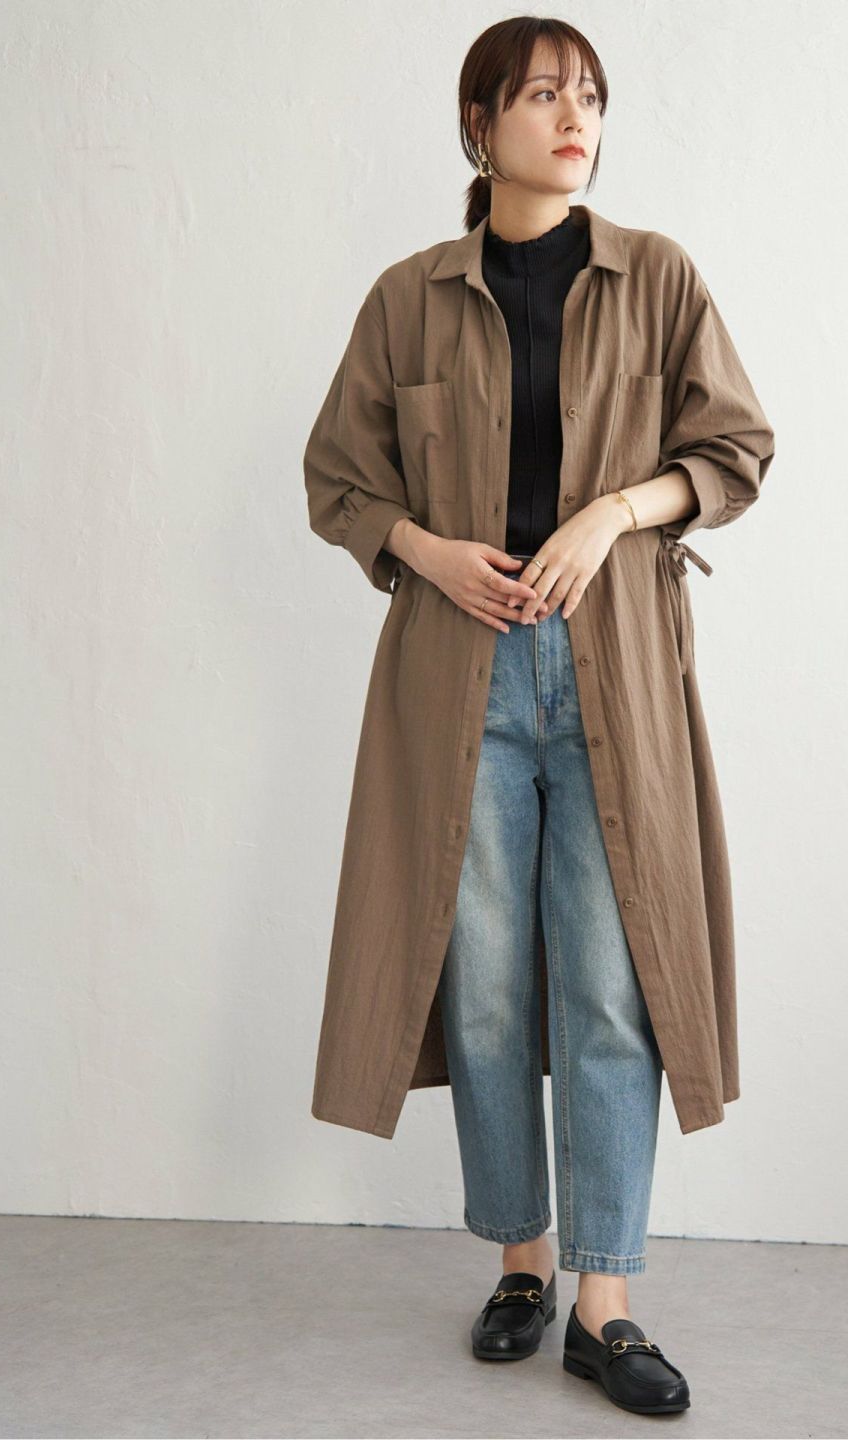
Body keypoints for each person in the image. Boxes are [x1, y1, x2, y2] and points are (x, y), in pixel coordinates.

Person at [303, 15, 774, 1418]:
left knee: (614, 984)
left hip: (613, 668)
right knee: (490, 985)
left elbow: (735, 450)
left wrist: (615, 512)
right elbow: (339, 478)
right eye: (543, 95)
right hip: (459, 676)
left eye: (590, 97)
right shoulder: (409, 298)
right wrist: (429, 552)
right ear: (479, 124)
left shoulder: (657, 276)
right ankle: (521, 1262)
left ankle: (605, 1301)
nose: (575, 119)